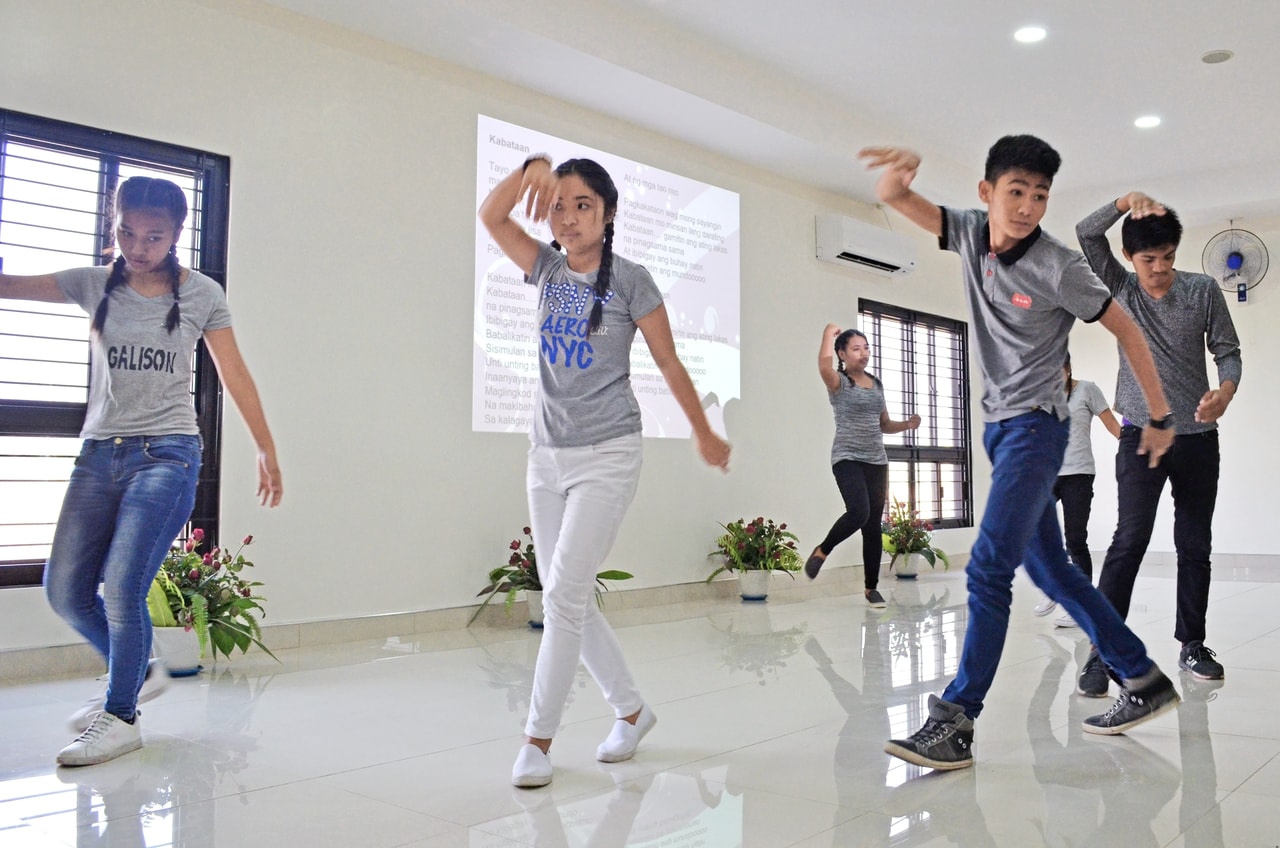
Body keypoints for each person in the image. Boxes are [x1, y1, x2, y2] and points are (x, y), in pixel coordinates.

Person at [858, 135, 1180, 772]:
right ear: (987, 193)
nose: (1029, 205)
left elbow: (1126, 329)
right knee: (1054, 573)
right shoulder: (972, 232)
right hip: (1001, 433)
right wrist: (896, 180)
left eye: (1040, 195)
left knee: (986, 569)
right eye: (1016, 191)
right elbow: (901, 200)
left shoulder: (1060, 266)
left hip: (1037, 429)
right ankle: (1140, 677)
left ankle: (956, 720)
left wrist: (1161, 414)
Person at [0, 176, 283, 767]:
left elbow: (234, 373)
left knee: (124, 586)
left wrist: (265, 447)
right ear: (115, 224)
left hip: (169, 454)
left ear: (177, 235)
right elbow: (9, 286)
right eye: (127, 231)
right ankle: (137, 669)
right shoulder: (92, 283)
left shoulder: (202, 293)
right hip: (99, 454)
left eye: (154, 236)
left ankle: (121, 716)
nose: (139, 246)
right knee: (65, 591)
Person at [479, 154, 731, 788]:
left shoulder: (632, 281)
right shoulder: (544, 267)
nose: (567, 217)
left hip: (609, 453)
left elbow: (669, 362)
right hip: (545, 455)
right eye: (559, 205)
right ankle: (633, 711)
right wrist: (531, 167)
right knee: (567, 593)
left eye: (582, 205)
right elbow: (491, 214)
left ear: (609, 213)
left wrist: (703, 431)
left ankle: (537, 740)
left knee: (563, 594)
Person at [1074, 192, 1241, 696]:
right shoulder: (1120, 288)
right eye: (1150, 259)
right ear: (1130, 258)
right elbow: (1086, 232)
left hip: (1197, 438)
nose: (1161, 268)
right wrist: (1123, 202)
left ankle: (1193, 644)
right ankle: (1103, 652)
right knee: (1129, 540)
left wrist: (1226, 392)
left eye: (1168, 257)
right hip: (1140, 435)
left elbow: (1228, 352)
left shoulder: (1203, 289)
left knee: (1195, 545)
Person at [806, 324, 920, 609]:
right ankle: (822, 550)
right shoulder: (840, 383)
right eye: (856, 349)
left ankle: (871, 589)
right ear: (842, 353)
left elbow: (884, 424)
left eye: (866, 347)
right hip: (847, 457)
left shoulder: (876, 384)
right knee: (858, 512)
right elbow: (823, 365)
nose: (863, 353)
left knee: (872, 527)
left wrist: (906, 425)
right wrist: (826, 337)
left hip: (876, 461)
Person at [1034, 353, 1120, 626]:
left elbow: (1112, 425)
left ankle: (1080, 608)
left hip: (1078, 474)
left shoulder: (1087, 390)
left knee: (1075, 539)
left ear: (1068, 369)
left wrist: (1134, 445)